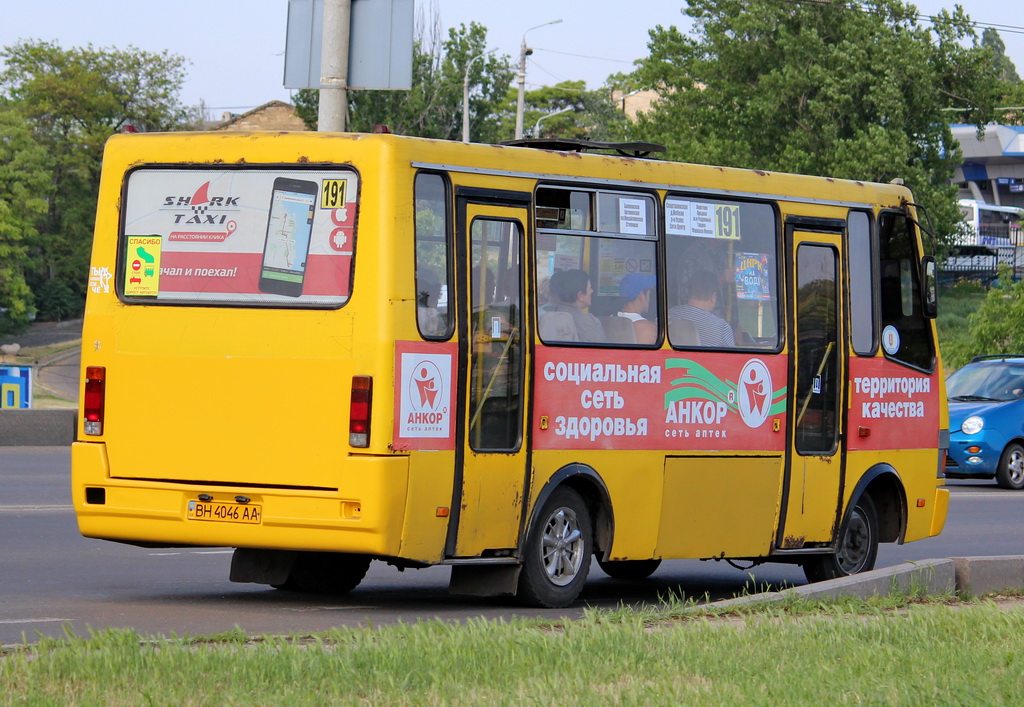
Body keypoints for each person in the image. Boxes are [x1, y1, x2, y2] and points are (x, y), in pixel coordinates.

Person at [669, 270, 735, 347]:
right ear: (713, 297)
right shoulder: (721, 328)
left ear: (689, 291)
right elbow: (733, 358)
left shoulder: (669, 314)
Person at [545, 269, 606, 343]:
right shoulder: (591, 322)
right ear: (580, 295)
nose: (592, 291)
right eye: (589, 288)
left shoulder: (547, 313)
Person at [615, 273, 657, 344]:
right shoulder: (649, 328)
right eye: (649, 294)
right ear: (641, 296)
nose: (649, 299)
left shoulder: (610, 321)